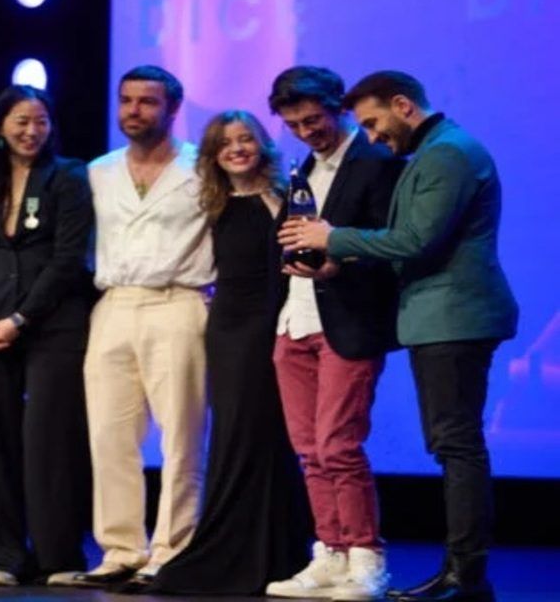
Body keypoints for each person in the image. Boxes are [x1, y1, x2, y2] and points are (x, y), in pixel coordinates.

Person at [280, 70, 518, 602]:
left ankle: (466, 576)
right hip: (438, 317)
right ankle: (459, 572)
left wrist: (334, 237)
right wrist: (336, 262)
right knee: (451, 443)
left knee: (456, 444)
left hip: (455, 315)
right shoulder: (435, 151)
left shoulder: (448, 154)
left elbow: (415, 240)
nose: (371, 136)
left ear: (403, 105)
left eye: (372, 123)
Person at [143, 110, 311, 596]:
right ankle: (231, 551)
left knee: (275, 437)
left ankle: (281, 552)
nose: (237, 149)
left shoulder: (289, 195)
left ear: (262, 143)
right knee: (239, 433)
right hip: (235, 331)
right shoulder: (212, 205)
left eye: (245, 139)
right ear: (214, 155)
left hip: (282, 323)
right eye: (225, 143)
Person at [263, 66, 404, 600]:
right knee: (309, 450)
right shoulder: (305, 167)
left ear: (338, 108)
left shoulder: (376, 162)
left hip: (348, 321)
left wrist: (338, 264)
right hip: (295, 321)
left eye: (313, 120)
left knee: (339, 445)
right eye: (294, 125)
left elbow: (392, 244)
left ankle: (366, 558)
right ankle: (330, 552)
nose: (306, 132)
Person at [75, 65, 214, 592]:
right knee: (109, 434)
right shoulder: (99, 170)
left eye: (147, 102)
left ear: (173, 108)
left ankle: (172, 549)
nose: (134, 111)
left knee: (181, 435)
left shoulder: (202, 167)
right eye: (127, 100)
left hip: (178, 301)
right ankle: (120, 549)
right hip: (114, 304)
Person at [0, 85, 94, 587]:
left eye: (40, 121)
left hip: (52, 323)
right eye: (21, 121)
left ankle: (59, 555)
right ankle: (5, 557)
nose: (32, 131)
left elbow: (68, 259)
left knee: (49, 440)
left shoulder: (69, 176)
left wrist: (21, 318)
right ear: (1, 126)